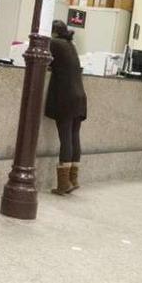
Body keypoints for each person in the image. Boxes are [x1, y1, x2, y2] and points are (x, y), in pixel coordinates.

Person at [44, 20, 88, 195]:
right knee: (74, 135)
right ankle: (73, 178)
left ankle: (63, 184)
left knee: (65, 138)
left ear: (53, 31)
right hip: (79, 96)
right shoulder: (70, 44)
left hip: (65, 97)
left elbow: (44, 61)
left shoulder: (54, 43)